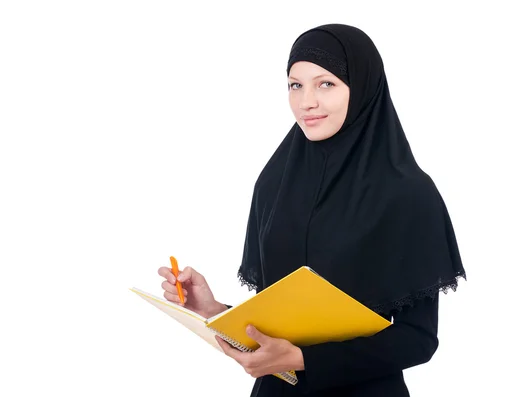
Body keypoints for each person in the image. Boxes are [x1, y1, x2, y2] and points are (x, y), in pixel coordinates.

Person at [157, 23, 466, 397]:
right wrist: (214, 310)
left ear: (363, 88)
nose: (306, 102)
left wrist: (304, 359)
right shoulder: (274, 183)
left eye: (326, 84)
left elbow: (418, 340)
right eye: (295, 85)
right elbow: (284, 318)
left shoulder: (408, 193)